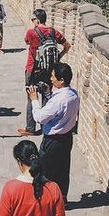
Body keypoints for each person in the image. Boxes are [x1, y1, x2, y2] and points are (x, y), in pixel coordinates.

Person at [29, 62, 80, 203]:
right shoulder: (73, 94)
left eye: (53, 76)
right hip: (66, 138)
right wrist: (47, 93)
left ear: (61, 80)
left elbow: (39, 117)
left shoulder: (58, 100)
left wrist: (34, 100)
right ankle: (62, 199)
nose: (51, 79)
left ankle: (46, 201)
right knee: (63, 170)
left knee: (45, 171)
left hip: (53, 141)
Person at [19, 9, 70, 137]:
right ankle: (45, 126)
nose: (32, 22)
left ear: (37, 20)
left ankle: (30, 128)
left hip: (33, 69)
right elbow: (67, 45)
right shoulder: (53, 32)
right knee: (47, 96)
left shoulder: (31, 32)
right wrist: (59, 57)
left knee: (32, 96)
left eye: (33, 20)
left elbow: (27, 41)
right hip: (49, 70)